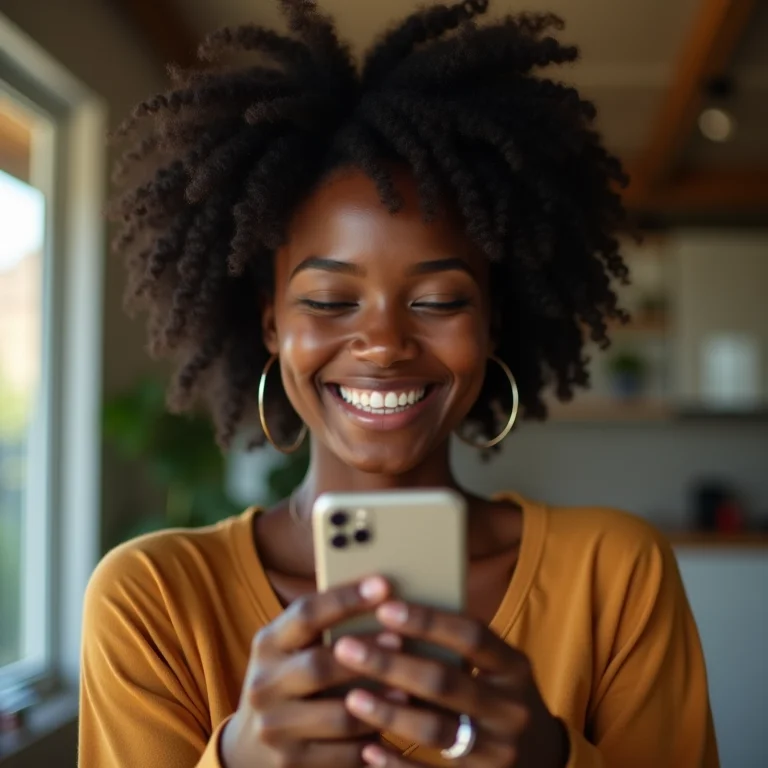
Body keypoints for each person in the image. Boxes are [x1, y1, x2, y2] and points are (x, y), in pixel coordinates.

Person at [79, 1, 719, 766]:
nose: (383, 345)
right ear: (272, 324)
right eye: (328, 300)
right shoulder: (153, 599)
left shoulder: (614, 574)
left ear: (491, 324)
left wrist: (553, 758)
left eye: (441, 300)